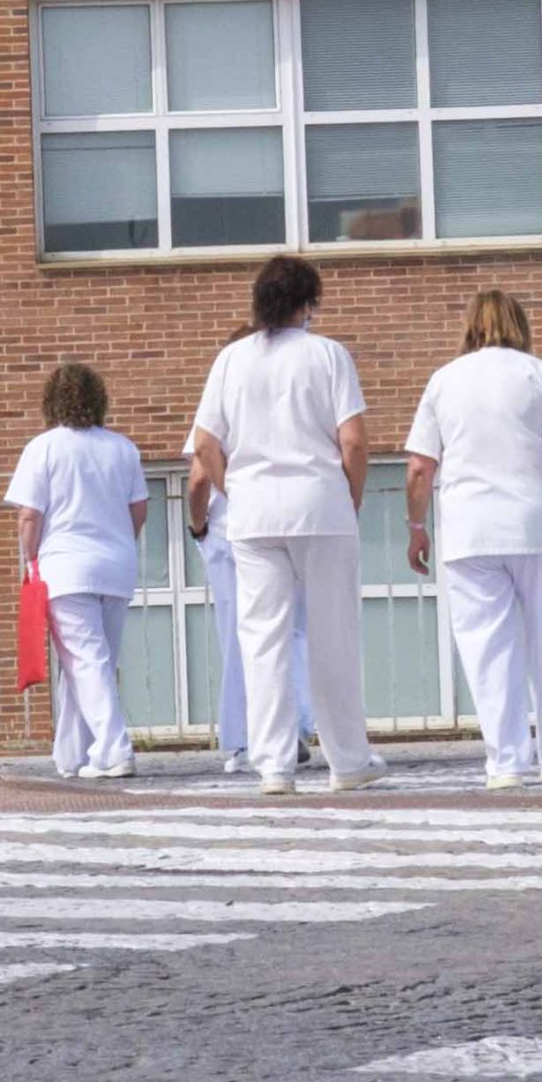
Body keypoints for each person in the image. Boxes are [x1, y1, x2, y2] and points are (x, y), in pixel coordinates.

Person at [189, 255, 382, 795]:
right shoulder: (328, 355)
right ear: (308, 301)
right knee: (331, 635)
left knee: (262, 639)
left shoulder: (231, 359)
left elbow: (204, 443)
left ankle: (273, 764)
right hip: (320, 506)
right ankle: (347, 760)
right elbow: (355, 441)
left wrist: (236, 488)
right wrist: (351, 497)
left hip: (252, 514)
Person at [403, 289, 542, 789]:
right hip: (533, 525)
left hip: (469, 531)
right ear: (519, 323)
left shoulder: (443, 381)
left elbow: (420, 467)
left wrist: (417, 527)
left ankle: (506, 762)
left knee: (489, 650)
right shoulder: (540, 374)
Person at [5, 361, 148, 780]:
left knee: (85, 662)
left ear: (51, 401)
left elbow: (29, 516)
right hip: (116, 565)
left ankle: (114, 749)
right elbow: (138, 510)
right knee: (93, 662)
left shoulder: (43, 448)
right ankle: (72, 753)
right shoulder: (123, 448)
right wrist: (121, 541)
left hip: (66, 566)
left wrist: (30, 561)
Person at [186, 451, 316, 773]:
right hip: (294, 521)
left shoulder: (223, 404)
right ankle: (296, 725)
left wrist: (198, 526)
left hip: (233, 530)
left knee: (240, 635)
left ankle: (248, 739)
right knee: (293, 630)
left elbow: (200, 475)